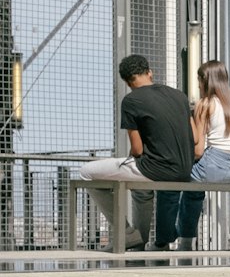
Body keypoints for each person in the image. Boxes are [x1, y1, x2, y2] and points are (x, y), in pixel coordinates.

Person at [80, 54, 194, 250]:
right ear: (150, 72)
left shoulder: (131, 101)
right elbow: (194, 137)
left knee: (86, 172)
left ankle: (126, 234)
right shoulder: (179, 96)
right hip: (184, 170)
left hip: (155, 169)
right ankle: (138, 241)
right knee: (141, 188)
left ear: (126, 81)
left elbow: (137, 149)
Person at [162, 60, 230, 251]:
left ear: (207, 81)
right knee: (194, 185)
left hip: (216, 165)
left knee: (183, 184)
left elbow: (199, 150)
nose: (198, 85)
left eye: (199, 80)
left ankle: (183, 239)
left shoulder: (205, 104)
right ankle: (182, 237)